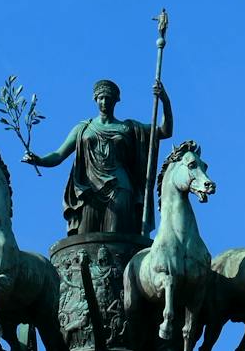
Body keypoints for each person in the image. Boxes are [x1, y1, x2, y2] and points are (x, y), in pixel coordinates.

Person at [23, 79, 172, 236]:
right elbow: (59, 155)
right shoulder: (83, 128)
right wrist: (38, 160)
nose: (104, 102)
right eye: (101, 98)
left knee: (117, 239)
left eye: (108, 98)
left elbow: (165, 131)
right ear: (95, 99)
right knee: (84, 239)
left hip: (119, 187)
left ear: (116, 101)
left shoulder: (128, 128)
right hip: (89, 189)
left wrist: (165, 100)